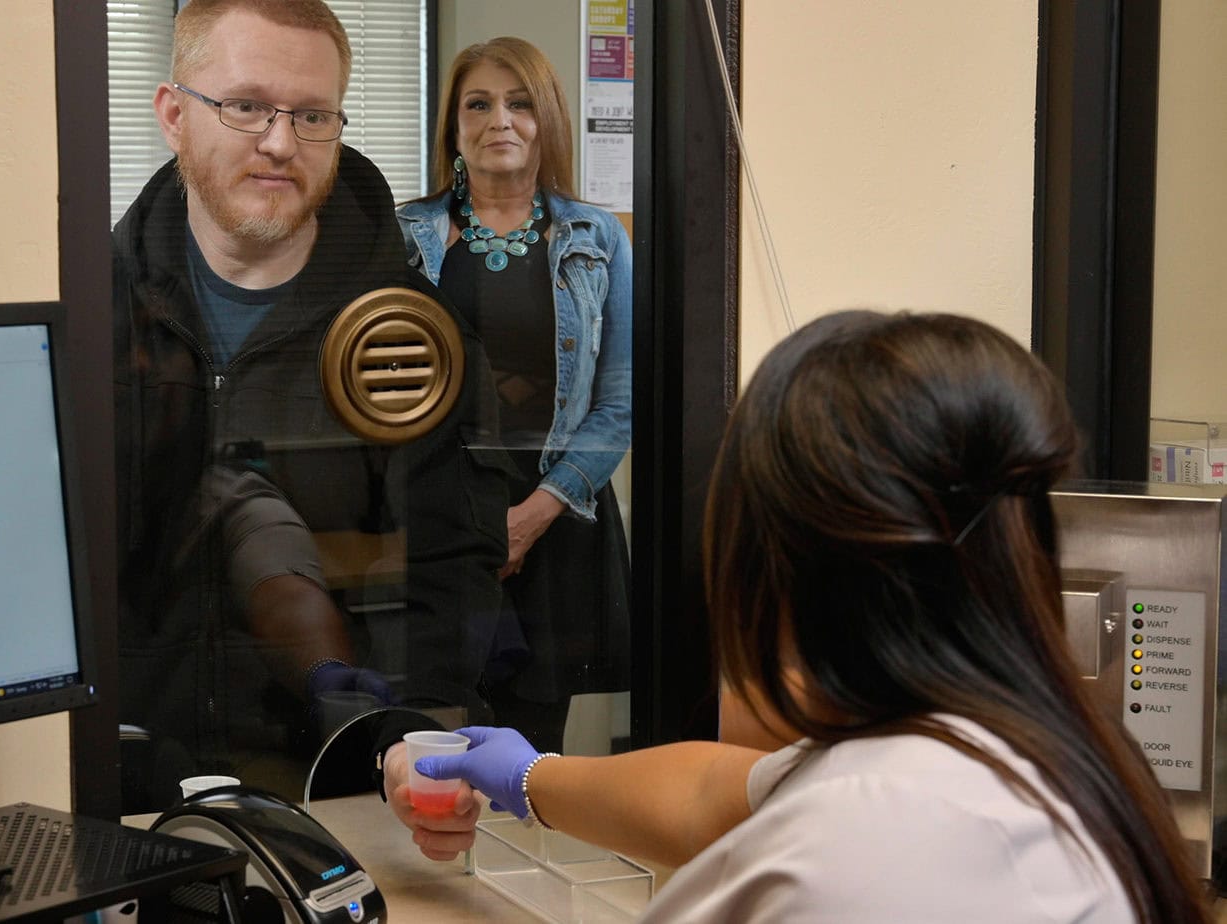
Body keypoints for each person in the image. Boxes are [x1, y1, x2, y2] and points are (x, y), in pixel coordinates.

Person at [388, 310, 1214, 921]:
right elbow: (715, 794)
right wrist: (523, 776)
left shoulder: (872, 852)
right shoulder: (1008, 752)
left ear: (775, 567)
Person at [112, 0, 508, 812]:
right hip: (132, 788)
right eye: (246, 105)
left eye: (313, 114)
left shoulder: (414, 342)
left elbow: (450, 580)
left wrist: (405, 746)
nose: (281, 142)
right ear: (173, 114)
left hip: (344, 789)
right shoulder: (99, 321)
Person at [398, 37, 633, 753]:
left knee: (532, 757)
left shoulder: (599, 238)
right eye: (478, 103)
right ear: (453, 126)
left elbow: (620, 402)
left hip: (557, 518)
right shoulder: (403, 235)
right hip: (434, 525)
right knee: (429, 738)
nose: (499, 119)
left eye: (519, 102)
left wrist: (534, 516)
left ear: (547, 120)